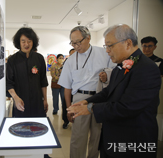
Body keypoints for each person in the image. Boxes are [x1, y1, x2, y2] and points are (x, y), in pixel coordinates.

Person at [67, 24, 161, 158]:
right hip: (113, 139)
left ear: (128, 43)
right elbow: (108, 92)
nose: (107, 51)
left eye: (110, 46)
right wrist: (86, 101)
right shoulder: (120, 66)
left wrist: (91, 108)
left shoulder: (147, 69)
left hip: (132, 140)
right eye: (106, 46)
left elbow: (127, 107)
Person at [58, 26, 115, 158]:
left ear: (88, 38)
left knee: (97, 134)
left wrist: (106, 76)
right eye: (73, 43)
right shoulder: (70, 61)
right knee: (78, 136)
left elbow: (114, 71)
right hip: (79, 99)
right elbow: (67, 87)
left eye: (78, 42)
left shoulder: (103, 53)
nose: (76, 46)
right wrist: (69, 109)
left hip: (100, 98)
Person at [6, 27, 50, 158]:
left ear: (33, 42)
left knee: (40, 128)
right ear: (18, 42)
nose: (26, 44)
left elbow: (43, 81)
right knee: (22, 129)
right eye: (23, 41)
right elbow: (8, 82)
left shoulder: (39, 58)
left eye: (29, 41)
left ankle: (43, 154)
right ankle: (24, 154)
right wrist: (15, 97)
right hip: (21, 102)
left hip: (37, 102)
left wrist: (45, 99)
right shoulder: (12, 60)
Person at [61, 48, 75, 129]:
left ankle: (75, 120)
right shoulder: (67, 63)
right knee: (66, 105)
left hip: (77, 90)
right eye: (71, 54)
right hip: (67, 88)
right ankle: (66, 121)